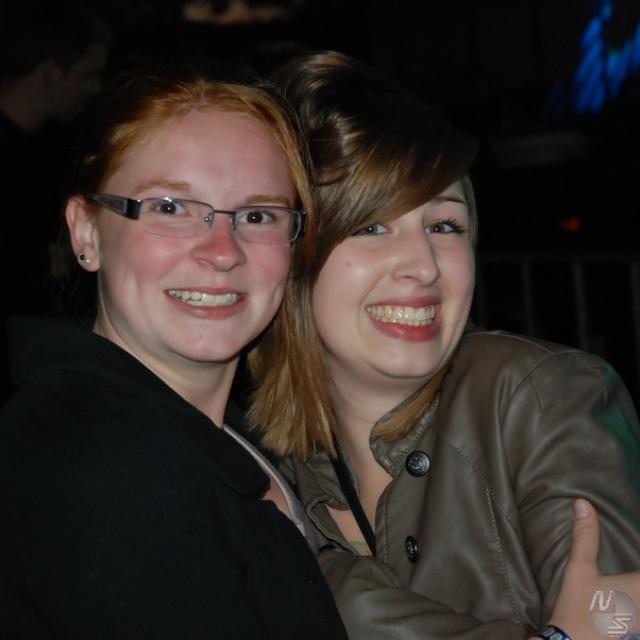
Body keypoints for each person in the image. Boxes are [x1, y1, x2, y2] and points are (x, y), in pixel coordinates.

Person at [248, 51, 640, 639]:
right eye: (371, 226)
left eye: (443, 226)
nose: (424, 265)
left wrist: (344, 593)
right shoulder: (262, 470)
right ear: (295, 257)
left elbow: (619, 622)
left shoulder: (538, 395)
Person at [0, 68, 347, 638]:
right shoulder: (92, 459)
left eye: (258, 215)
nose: (222, 251)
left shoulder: (230, 433)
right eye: (170, 207)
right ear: (86, 233)